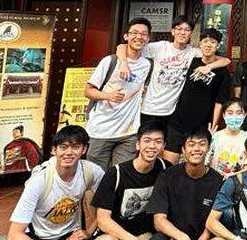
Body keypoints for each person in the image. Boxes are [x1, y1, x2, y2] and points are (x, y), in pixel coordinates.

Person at [148, 130, 224, 240]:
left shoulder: (217, 181)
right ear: (183, 150)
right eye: (191, 144)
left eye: (202, 144)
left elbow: (210, 228)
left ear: (208, 148)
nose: (196, 149)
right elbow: (159, 220)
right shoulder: (167, 176)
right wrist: (182, 238)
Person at [127, 15, 229, 132]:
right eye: (179, 29)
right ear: (173, 31)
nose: (182, 33)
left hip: (172, 111)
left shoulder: (193, 52)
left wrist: (209, 67)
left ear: (191, 33)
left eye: (187, 30)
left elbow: (225, 60)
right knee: (148, 139)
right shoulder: (160, 47)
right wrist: (124, 63)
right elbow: (126, 47)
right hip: (150, 108)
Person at [83, 18, 153, 169]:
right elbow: (88, 91)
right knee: (96, 176)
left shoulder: (147, 65)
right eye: (134, 33)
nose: (139, 37)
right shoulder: (109, 61)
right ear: (126, 36)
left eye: (144, 34)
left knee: (121, 175)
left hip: (128, 133)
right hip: (100, 131)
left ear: (148, 38)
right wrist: (108, 96)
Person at [166, 28, 231, 163]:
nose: (208, 45)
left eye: (212, 42)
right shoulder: (191, 61)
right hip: (178, 121)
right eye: (205, 41)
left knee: (195, 163)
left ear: (218, 45)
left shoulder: (223, 72)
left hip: (202, 124)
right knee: (170, 163)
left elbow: (219, 101)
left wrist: (213, 125)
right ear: (200, 44)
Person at [206, 100, 247, 177]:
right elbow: (205, 162)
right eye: (230, 113)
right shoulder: (215, 137)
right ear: (223, 115)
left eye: (239, 113)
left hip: (237, 181)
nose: (234, 117)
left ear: (245, 115)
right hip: (214, 180)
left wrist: (232, 176)